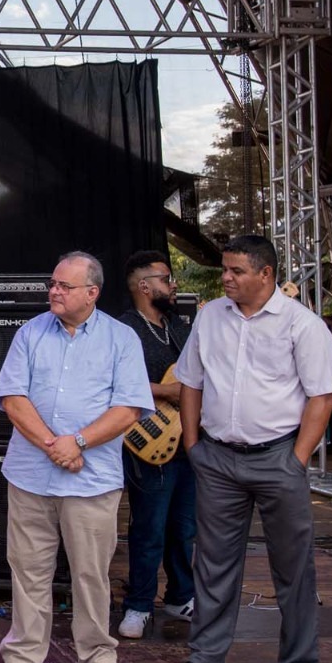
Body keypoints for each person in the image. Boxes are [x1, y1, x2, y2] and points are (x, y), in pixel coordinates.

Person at [163, 234, 332, 663]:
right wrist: (194, 444)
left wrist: (297, 458)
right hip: (217, 458)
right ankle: (207, 659)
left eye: (236, 270)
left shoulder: (302, 325)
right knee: (214, 564)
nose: (226, 278)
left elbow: (322, 397)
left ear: (265, 274)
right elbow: (191, 382)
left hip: (278, 456)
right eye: (225, 269)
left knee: (293, 570)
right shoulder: (209, 316)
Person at [0, 251, 153, 663]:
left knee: (90, 574)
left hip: (93, 482)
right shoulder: (29, 333)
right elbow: (12, 399)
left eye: (64, 285)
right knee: (28, 571)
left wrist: (77, 442)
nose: (54, 291)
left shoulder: (121, 339)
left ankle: (99, 657)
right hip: (30, 476)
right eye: (53, 284)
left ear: (91, 293)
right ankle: (23, 660)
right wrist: (55, 446)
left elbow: (130, 409)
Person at [115, 251, 197, 639]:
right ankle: (139, 603)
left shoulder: (178, 327)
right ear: (144, 285)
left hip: (187, 441)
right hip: (148, 440)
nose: (173, 285)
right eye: (166, 278)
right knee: (149, 527)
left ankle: (181, 595)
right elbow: (109, 381)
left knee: (184, 527)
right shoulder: (122, 330)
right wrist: (169, 391)